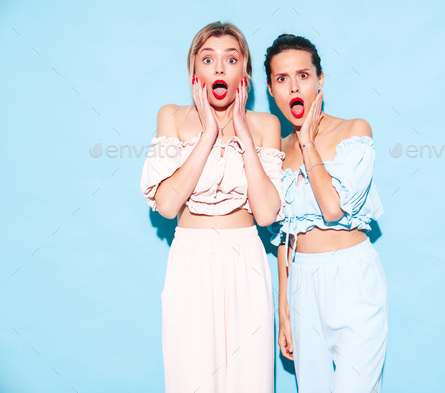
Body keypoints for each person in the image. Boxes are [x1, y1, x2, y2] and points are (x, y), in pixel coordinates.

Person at [140, 22, 284, 393]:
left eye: (230, 58)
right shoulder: (171, 117)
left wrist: (242, 133)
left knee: (249, 376)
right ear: (195, 72)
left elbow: (266, 214)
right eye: (208, 59)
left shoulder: (265, 125)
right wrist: (207, 135)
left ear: (244, 73)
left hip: (245, 259)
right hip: (190, 259)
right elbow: (167, 206)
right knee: (191, 375)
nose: (219, 67)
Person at [265, 34, 389, 392]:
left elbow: (332, 208)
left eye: (303, 75)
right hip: (302, 284)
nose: (294, 88)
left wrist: (306, 142)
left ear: (320, 80)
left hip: (353, 278)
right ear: (272, 90)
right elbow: (283, 236)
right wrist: (284, 306)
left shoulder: (354, 130)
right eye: (282, 79)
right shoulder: (276, 151)